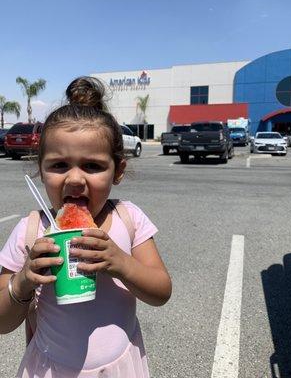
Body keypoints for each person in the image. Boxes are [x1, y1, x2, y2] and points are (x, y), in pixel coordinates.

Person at [0, 76, 172, 378]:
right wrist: (25, 281)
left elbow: (161, 292)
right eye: (59, 165)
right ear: (40, 170)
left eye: (92, 166)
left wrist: (121, 263)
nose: (75, 179)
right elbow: (1, 323)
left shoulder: (127, 218)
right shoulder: (29, 231)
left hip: (119, 366)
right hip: (50, 368)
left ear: (117, 171)